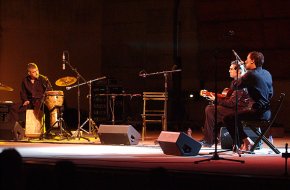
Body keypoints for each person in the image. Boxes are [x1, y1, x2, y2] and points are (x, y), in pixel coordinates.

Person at [223, 51, 273, 151]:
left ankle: (244, 142)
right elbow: (271, 94)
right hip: (267, 112)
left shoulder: (250, 75)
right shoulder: (267, 73)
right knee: (234, 117)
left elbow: (234, 86)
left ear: (253, 61)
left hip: (258, 113)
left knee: (228, 118)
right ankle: (245, 141)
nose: (245, 61)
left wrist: (240, 72)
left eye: (247, 59)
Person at [199, 61, 251, 147]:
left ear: (239, 71)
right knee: (212, 110)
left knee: (210, 109)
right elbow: (230, 99)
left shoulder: (240, 83)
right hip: (236, 108)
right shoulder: (237, 82)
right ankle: (211, 139)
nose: (229, 71)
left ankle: (209, 140)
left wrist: (216, 99)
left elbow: (231, 103)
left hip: (240, 110)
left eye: (231, 69)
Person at [10, 63, 52, 133]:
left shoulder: (43, 79)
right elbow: (23, 92)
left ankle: (48, 132)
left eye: (37, 71)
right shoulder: (25, 80)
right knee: (13, 108)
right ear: (29, 73)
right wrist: (25, 100)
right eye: (33, 72)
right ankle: (15, 130)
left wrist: (43, 99)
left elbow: (49, 91)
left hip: (40, 101)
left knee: (47, 110)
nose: (36, 73)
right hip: (29, 102)